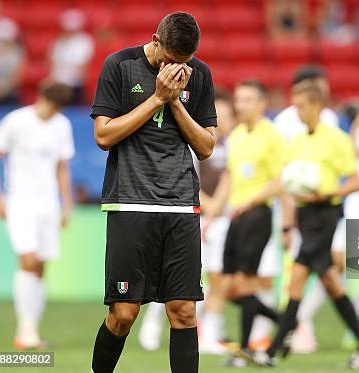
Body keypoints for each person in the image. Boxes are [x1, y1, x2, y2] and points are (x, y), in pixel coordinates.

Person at [89, 12, 217, 373]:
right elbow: (104, 136)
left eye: (185, 62)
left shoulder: (200, 74)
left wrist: (176, 102)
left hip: (180, 204)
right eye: (171, 60)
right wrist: (158, 98)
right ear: (156, 40)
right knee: (123, 313)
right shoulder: (119, 65)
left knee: (184, 310)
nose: (177, 68)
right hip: (130, 202)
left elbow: (206, 147)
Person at [251, 81, 359, 369]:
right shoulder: (296, 142)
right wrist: (277, 211)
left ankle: (273, 350)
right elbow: (285, 181)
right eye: (295, 105)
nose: (297, 111)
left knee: (297, 277)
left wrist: (330, 193)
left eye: (301, 106)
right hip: (306, 216)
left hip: (326, 213)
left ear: (317, 105)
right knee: (332, 284)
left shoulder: (337, 139)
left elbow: (356, 182)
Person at [137, 89, 236, 355]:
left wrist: (216, 210)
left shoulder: (234, 144)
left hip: (221, 218)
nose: (223, 119)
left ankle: (209, 333)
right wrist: (209, 207)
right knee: (179, 279)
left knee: (216, 278)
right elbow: (188, 177)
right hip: (193, 215)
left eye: (228, 115)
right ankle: (153, 321)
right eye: (220, 114)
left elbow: (231, 178)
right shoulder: (195, 140)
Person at [0, 80, 74, 349]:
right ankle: (24, 330)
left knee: (41, 265)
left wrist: (66, 203)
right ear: (40, 97)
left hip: (48, 203)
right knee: (28, 259)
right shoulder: (16, 121)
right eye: (50, 105)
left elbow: (61, 167)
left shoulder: (62, 125)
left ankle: (32, 328)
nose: (52, 112)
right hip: (20, 201)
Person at [204, 80, 286, 365]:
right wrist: (215, 211)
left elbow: (281, 180)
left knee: (246, 283)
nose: (240, 105)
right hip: (234, 216)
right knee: (228, 284)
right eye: (239, 99)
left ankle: (247, 348)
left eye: (248, 100)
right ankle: (285, 323)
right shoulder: (237, 135)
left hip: (256, 214)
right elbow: (229, 176)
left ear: (262, 103)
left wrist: (253, 203)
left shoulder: (272, 136)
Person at [273, 64, 340, 353]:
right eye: (317, 84)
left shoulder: (331, 120)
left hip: (323, 204)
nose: (323, 89)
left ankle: (293, 325)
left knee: (321, 267)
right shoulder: (286, 123)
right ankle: (287, 329)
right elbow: (284, 170)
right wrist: (288, 218)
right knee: (292, 268)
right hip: (292, 202)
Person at [49, 9, 94, 104]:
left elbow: (84, 64)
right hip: (59, 82)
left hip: (75, 83)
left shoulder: (85, 41)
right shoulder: (59, 41)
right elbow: (52, 59)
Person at [0, 18, 24, 105]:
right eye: (2, 40)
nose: (4, 43)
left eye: (6, 41)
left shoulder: (17, 54)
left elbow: (17, 76)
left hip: (10, 93)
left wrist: (5, 88)